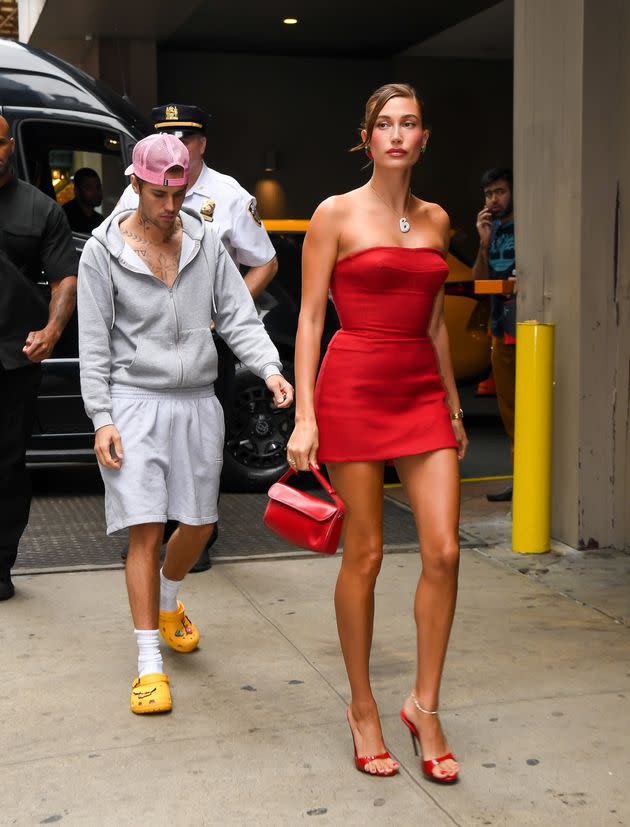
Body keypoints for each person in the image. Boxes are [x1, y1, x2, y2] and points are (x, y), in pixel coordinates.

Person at [287, 83, 467, 782]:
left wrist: (452, 406)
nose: (397, 134)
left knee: (445, 551)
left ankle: (424, 705)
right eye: (385, 124)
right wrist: (306, 413)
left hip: (421, 391)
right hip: (354, 387)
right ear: (368, 138)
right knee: (363, 556)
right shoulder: (334, 214)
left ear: (424, 137)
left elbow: (432, 324)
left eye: (410, 123)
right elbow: (308, 320)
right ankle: (362, 706)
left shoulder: (438, 220)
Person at [77, 134, 293, 713]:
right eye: (158, 195)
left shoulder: (202, 238)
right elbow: (94, 345)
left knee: (197, 525)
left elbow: (237, 313)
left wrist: (269, 369)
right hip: (133, 400)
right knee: (145, 529)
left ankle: (170, 598)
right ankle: (149, 662)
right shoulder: (102, 251)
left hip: (198, 399)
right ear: (134, 185)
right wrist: (102, 417)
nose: (171, 207)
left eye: (178, 194)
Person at [118, 104, 279, 571]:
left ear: (202, 143)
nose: (177, 148)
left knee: (201, 445)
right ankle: (152, 539)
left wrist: (223, 310)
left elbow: (265, 260)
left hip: (206, 339)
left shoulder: (227, 194)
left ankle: (197, 538)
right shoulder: (138, 185)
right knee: (148, 443)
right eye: (167, 137)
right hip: (147, 340)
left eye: (186, 139)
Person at [0, 115, 77, 601]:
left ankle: (0, 565)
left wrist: (52, 330)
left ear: (10, 145)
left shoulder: (41, 209)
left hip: (14, 361)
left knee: (6, 465)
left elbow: (65, 279)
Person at [472, 168, 516, 503]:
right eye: (488, 194)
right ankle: (519, 476)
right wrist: (484, 243)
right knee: (508, 409)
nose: (493, 200)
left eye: (499, 192)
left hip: (524, 328)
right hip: (500, 328)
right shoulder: (495, 229)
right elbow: (479, 281)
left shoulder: (526, 226)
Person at [62, 168, 103, 234]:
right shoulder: (66, 216)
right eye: (89, 188)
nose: (96, 192)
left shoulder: (99, 220)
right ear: (77, 191)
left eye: (98, 187)